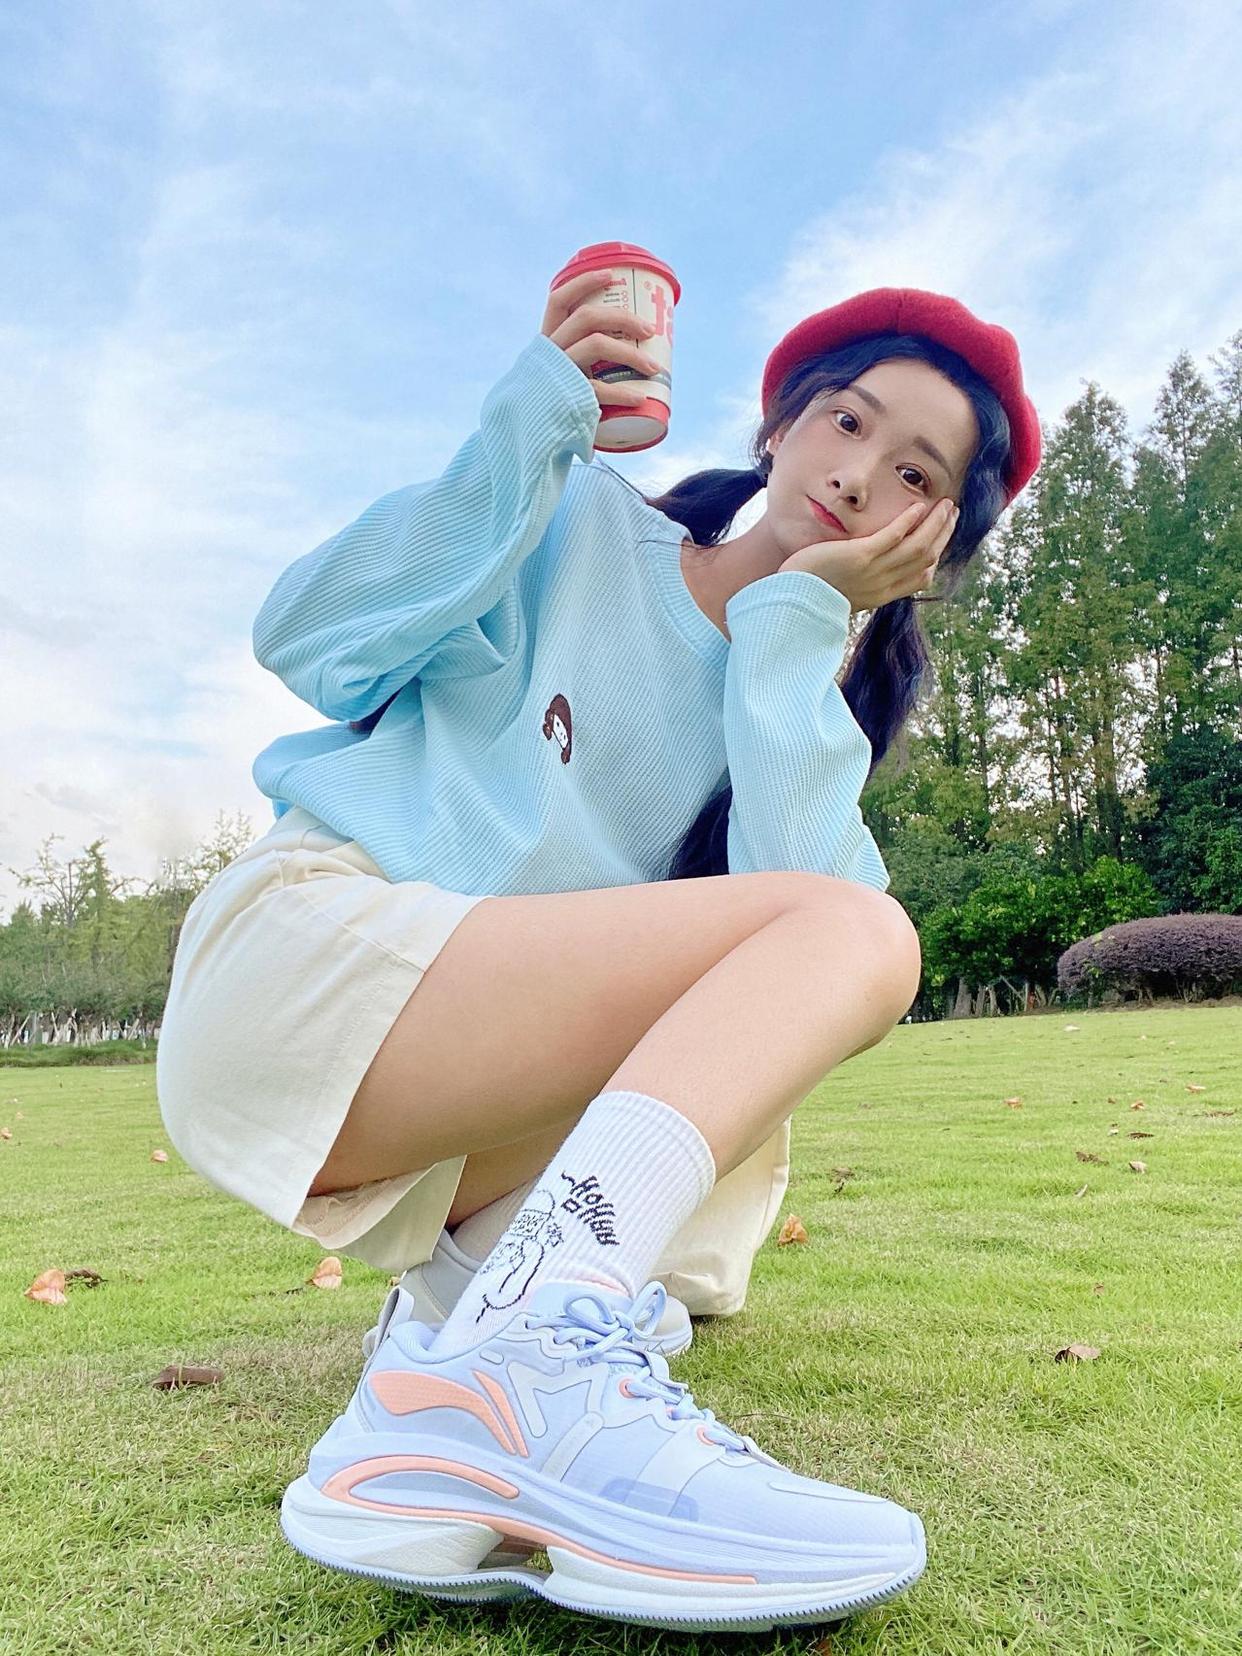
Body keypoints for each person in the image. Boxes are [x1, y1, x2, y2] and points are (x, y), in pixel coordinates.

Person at [156, 268, 1040, 1631]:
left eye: (915, 472)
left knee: (776, 1021)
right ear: (781, 425)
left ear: (931, 542)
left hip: (432, 1103)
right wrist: (532, 425)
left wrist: (795, 628)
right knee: (848, 932)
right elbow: (309, 636)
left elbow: (803, 972)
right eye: (848, 420)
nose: (860, 474)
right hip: (307, 961)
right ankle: (524, 1353)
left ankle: (457, 1366)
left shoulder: (800, 697)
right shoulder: (580, 523)